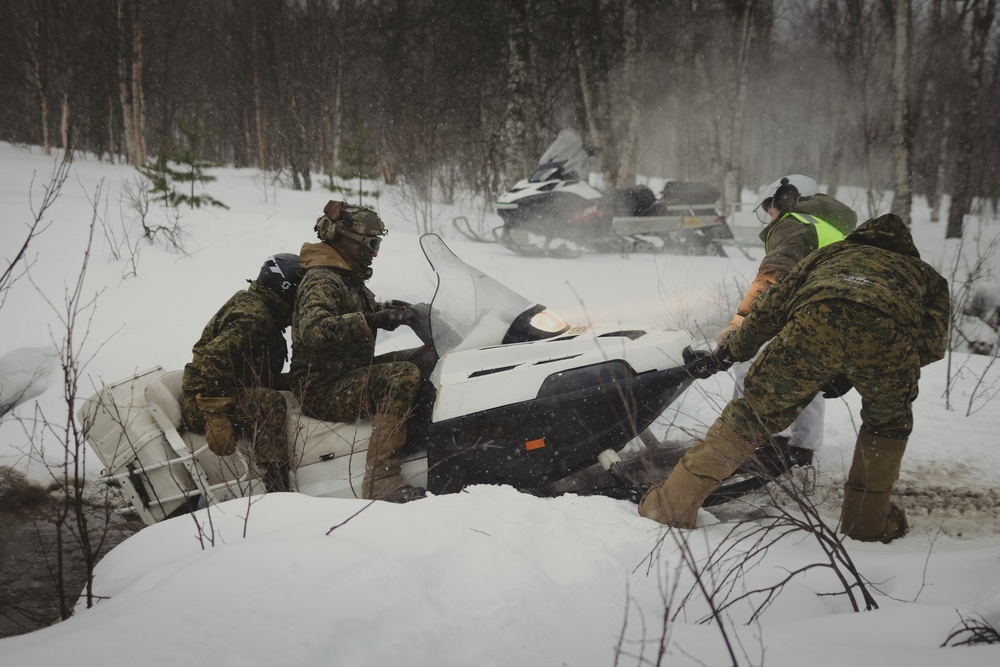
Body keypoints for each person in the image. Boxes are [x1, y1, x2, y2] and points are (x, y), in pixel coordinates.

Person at [639, 214, 950, 543]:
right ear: (906, 247)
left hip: (811, 328)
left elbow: (770, 308)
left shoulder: (827, 256)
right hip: (889, 342)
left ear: (861, 237)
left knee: (751, 415)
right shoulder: (926, 276)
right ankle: (867, 521)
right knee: (887, 425)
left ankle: (670, 505)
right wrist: (868, 363)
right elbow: (931, 344)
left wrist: (735, 349)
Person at [289, 200, 427, 503]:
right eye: (370, 244)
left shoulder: (345, 277)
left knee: (422, 359)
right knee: (401, 376)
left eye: (377, 244)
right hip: (321, 389)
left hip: (348, 374)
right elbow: (312, 329)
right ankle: (382, 481)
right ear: (347, 241)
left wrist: (396, 310)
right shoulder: (322, 279)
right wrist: (371, 320)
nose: (374, 252)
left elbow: (358, 310)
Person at [720, 175, 858, 466]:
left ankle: (765, 444)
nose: (771, 214)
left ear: (788, 199)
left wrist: (740, 321)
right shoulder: (832, 229)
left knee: (754, 365)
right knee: (809, 375)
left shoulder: (795, 222)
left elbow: (772, 277)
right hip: (838, 316)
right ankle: (801, 449)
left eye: (772, 205)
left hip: (808, 311)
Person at [182, 253, 304, 493]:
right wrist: (214, 413)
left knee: (297, 381)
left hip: (228, 387)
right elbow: (214, 358)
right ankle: (277, 487)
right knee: (269, 404)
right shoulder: (254, 317)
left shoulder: (260, 307)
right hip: (204, 400)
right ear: (286, 289)